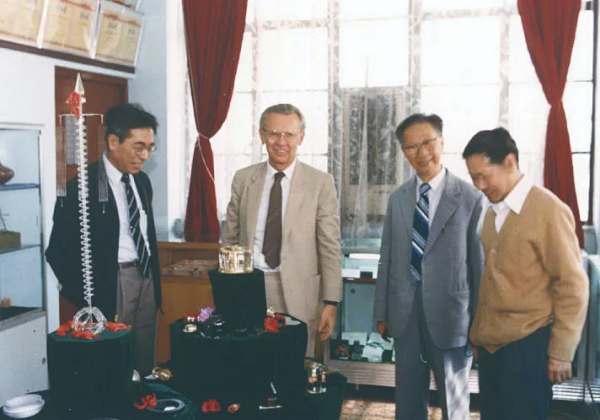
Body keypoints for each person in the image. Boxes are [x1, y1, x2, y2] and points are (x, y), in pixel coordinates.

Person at [463, 127, 589, 420]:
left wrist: (561, 352)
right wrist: (480, 334)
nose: (479, 185)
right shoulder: (493, 211)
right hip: (494, 349)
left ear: (509, 162)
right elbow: (492, 280)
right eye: (473, 178)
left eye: (484, 176)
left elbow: (573, 285)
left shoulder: (548, 210)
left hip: (529, 347)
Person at [373, 113, 484, 420]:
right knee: (408, 399)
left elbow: (479, 267)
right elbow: (387, 257)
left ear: (442, 142)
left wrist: (480, 323)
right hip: (405, 315)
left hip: (452, 316)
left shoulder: (471, 198)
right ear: (403, 151)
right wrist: (381, 312)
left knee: (454, 400)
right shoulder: (398, 199)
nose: (421, 153)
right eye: (411, 147)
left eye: (428, 143)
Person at [46, 103, 161, 376]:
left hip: (146, 277)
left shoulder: (141, 181)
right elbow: (57, 252)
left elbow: (145, 233)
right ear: (113, 142)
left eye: (150, 147)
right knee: (114, 362)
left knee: (144, 356)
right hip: (113, 283)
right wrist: (89, 297)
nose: (145, 156)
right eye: (138, 147)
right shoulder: (81, 187)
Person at [222, 103, 342, 356]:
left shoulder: (320, 183)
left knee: (295, 366)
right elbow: (229, 238)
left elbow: (330, 245)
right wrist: (228, 292)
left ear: (301, 137)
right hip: (249, 287)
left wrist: (331, 302)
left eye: (289, 134)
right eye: (274, 134)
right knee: (248, 362)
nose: (281, 142)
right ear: (262, 135)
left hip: (300, 292)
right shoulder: (244, 179)